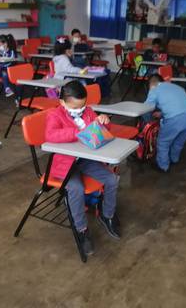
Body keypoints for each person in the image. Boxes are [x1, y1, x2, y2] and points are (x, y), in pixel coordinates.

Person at [45, 81, 120, 256]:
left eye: (83, 105)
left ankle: (106, 214)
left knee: (111, 179)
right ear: (62, 102)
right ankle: (81, 229)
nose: (80, 110)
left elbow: (98, 129)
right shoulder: (54, 115)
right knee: (76, 188)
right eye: (76, 107)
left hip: (86, 159)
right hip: (64, 164)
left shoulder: (87, 111)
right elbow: (50, 135)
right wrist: (76, 132)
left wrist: (104, 121)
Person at [144, 74, 186, 172]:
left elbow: (145, 108)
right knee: (179, 141)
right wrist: (163, 113)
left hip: (175, 119)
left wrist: (147, 122)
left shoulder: (154, 90)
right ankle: (174, 159)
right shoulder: (177, 87)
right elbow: (177, 104)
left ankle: (163, 166)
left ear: (151, 84)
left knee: (163, 142)